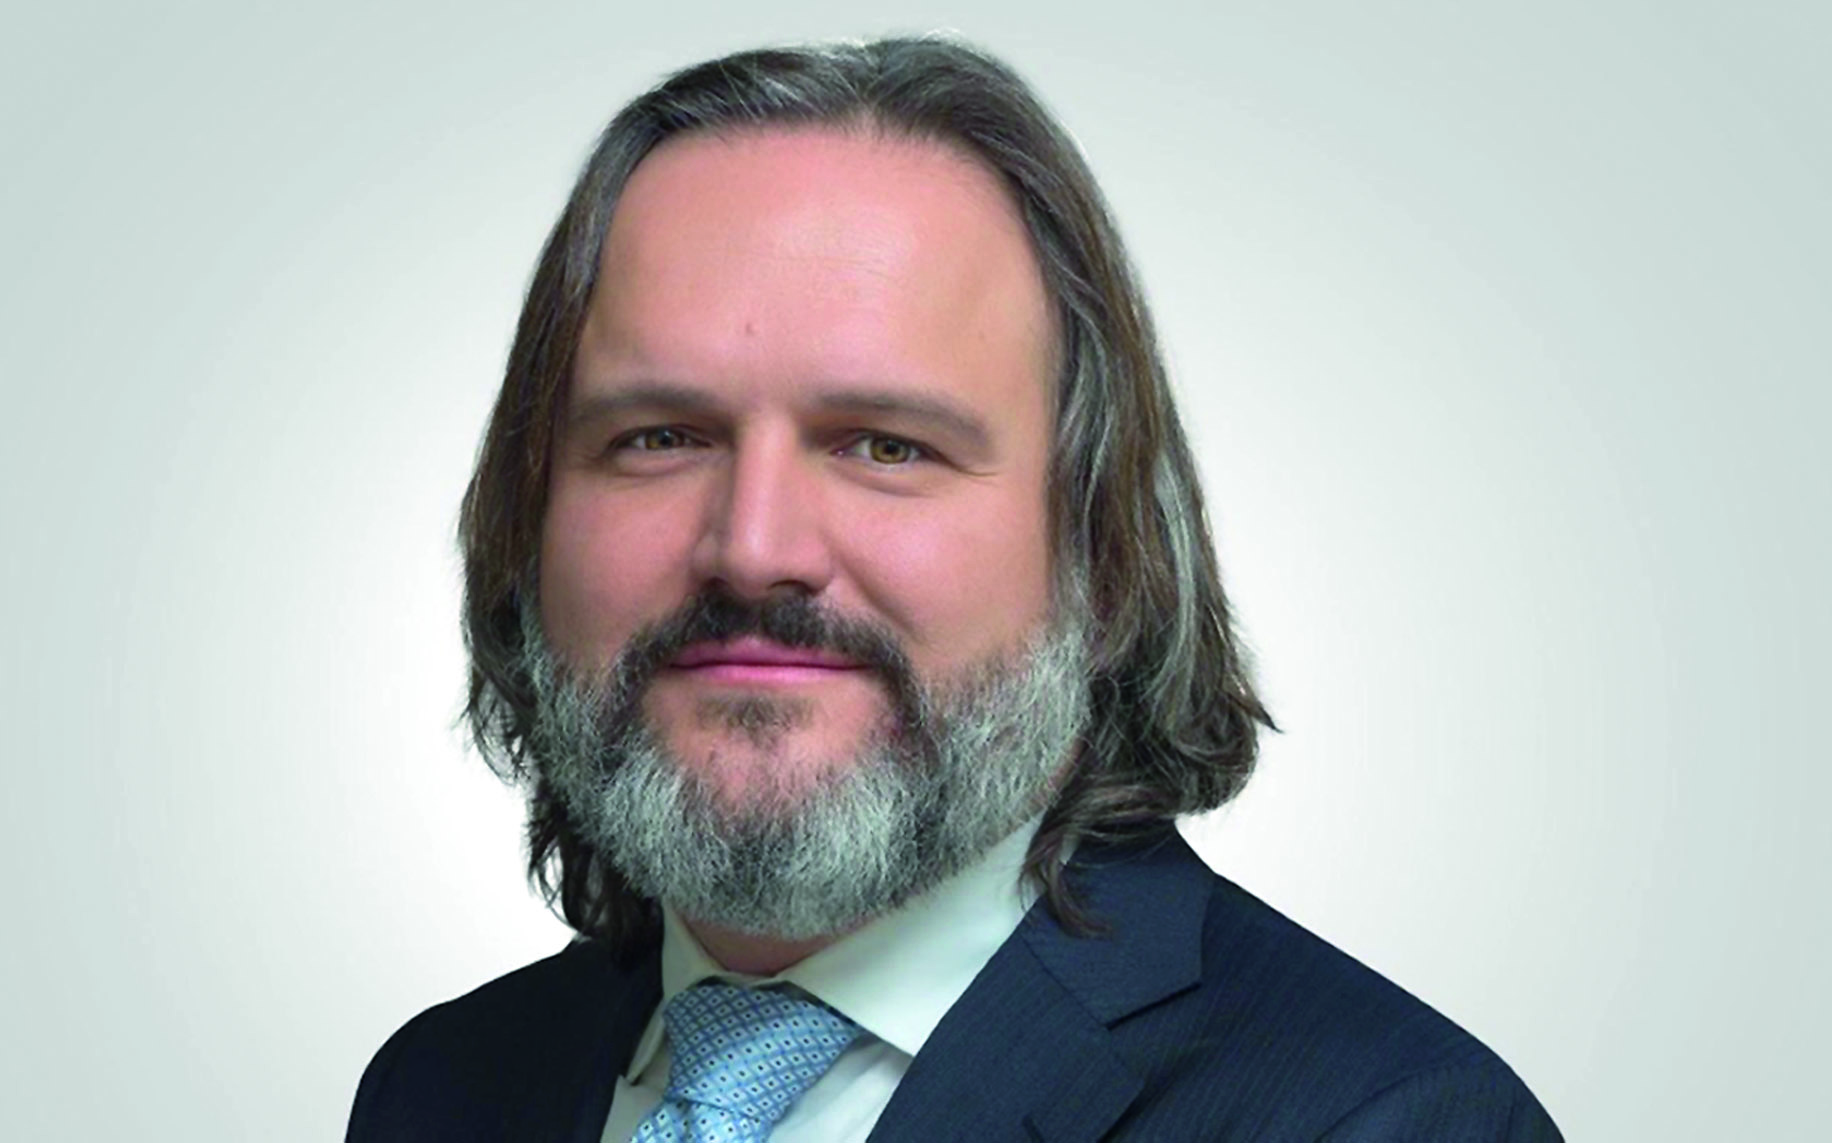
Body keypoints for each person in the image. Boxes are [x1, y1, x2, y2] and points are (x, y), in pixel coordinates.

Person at [347, 36, 1560, 1143]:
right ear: (529, 523)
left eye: (886, 446)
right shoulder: (437, 1091)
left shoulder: (1389, 1121)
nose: (752, 547)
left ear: (1102, 545)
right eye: (660, 437)